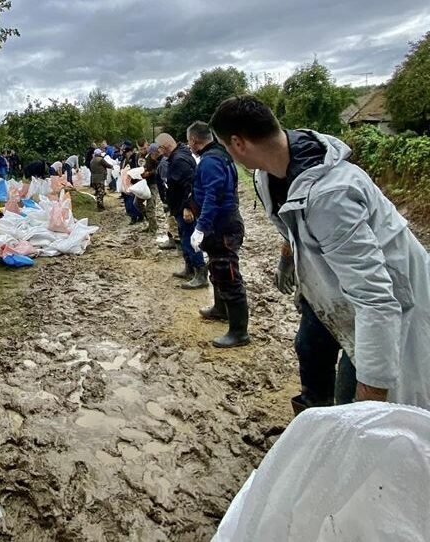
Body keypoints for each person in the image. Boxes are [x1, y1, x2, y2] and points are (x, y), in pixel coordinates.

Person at [211, 95, 430, 407]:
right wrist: (288, 260)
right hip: (333, 286)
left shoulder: (332, 196)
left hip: (385, 300)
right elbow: (291, 225)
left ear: (238, 143)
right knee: (309, 347)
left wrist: (371, 402)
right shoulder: (267, 175)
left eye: (226, 146)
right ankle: (313, 414)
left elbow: (375, 299)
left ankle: (348, 429)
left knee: (354, 386)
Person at [185, 121, 249, 347]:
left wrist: (201, 226)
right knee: (217, 268)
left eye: (189, 142)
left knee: (228, 273)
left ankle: (239, 332)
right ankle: (220, 309)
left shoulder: (210, 161)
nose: (189, 146)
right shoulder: (221, 155)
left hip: (222, 225)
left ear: (194, 140)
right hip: (223, 222)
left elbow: (214, 196)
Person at [155, 133, 201, 281]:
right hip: (178, 207)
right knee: (184, 238)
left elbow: (190, 185)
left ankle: (200, 273)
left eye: (160, 148)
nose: (160, 152)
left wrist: (188, 207)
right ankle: (189, 269)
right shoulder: (176, 157)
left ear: (167, 145)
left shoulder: (179, 160)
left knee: (190, 240)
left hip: (185, 208)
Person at [136, 142, 159, 233]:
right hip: (143, 183)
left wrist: (149, 173)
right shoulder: (138, 156)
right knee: (137, 203)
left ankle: (153, 228)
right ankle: (151, 222)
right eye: (141, 149)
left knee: (150, 206)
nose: (143, 150)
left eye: (145, 148)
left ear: (147, 146)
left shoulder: (153, 155)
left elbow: (159, 168)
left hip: (153, 183)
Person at [120, 143, 143, 225]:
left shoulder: (134, 159)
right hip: (125, 183)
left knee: (131, 201)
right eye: (127, 152)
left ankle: (134, 216)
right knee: (127, 200)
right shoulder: (123, 160)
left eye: (130, 152)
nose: (129, 153)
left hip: (132, 182)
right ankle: (138, 215)